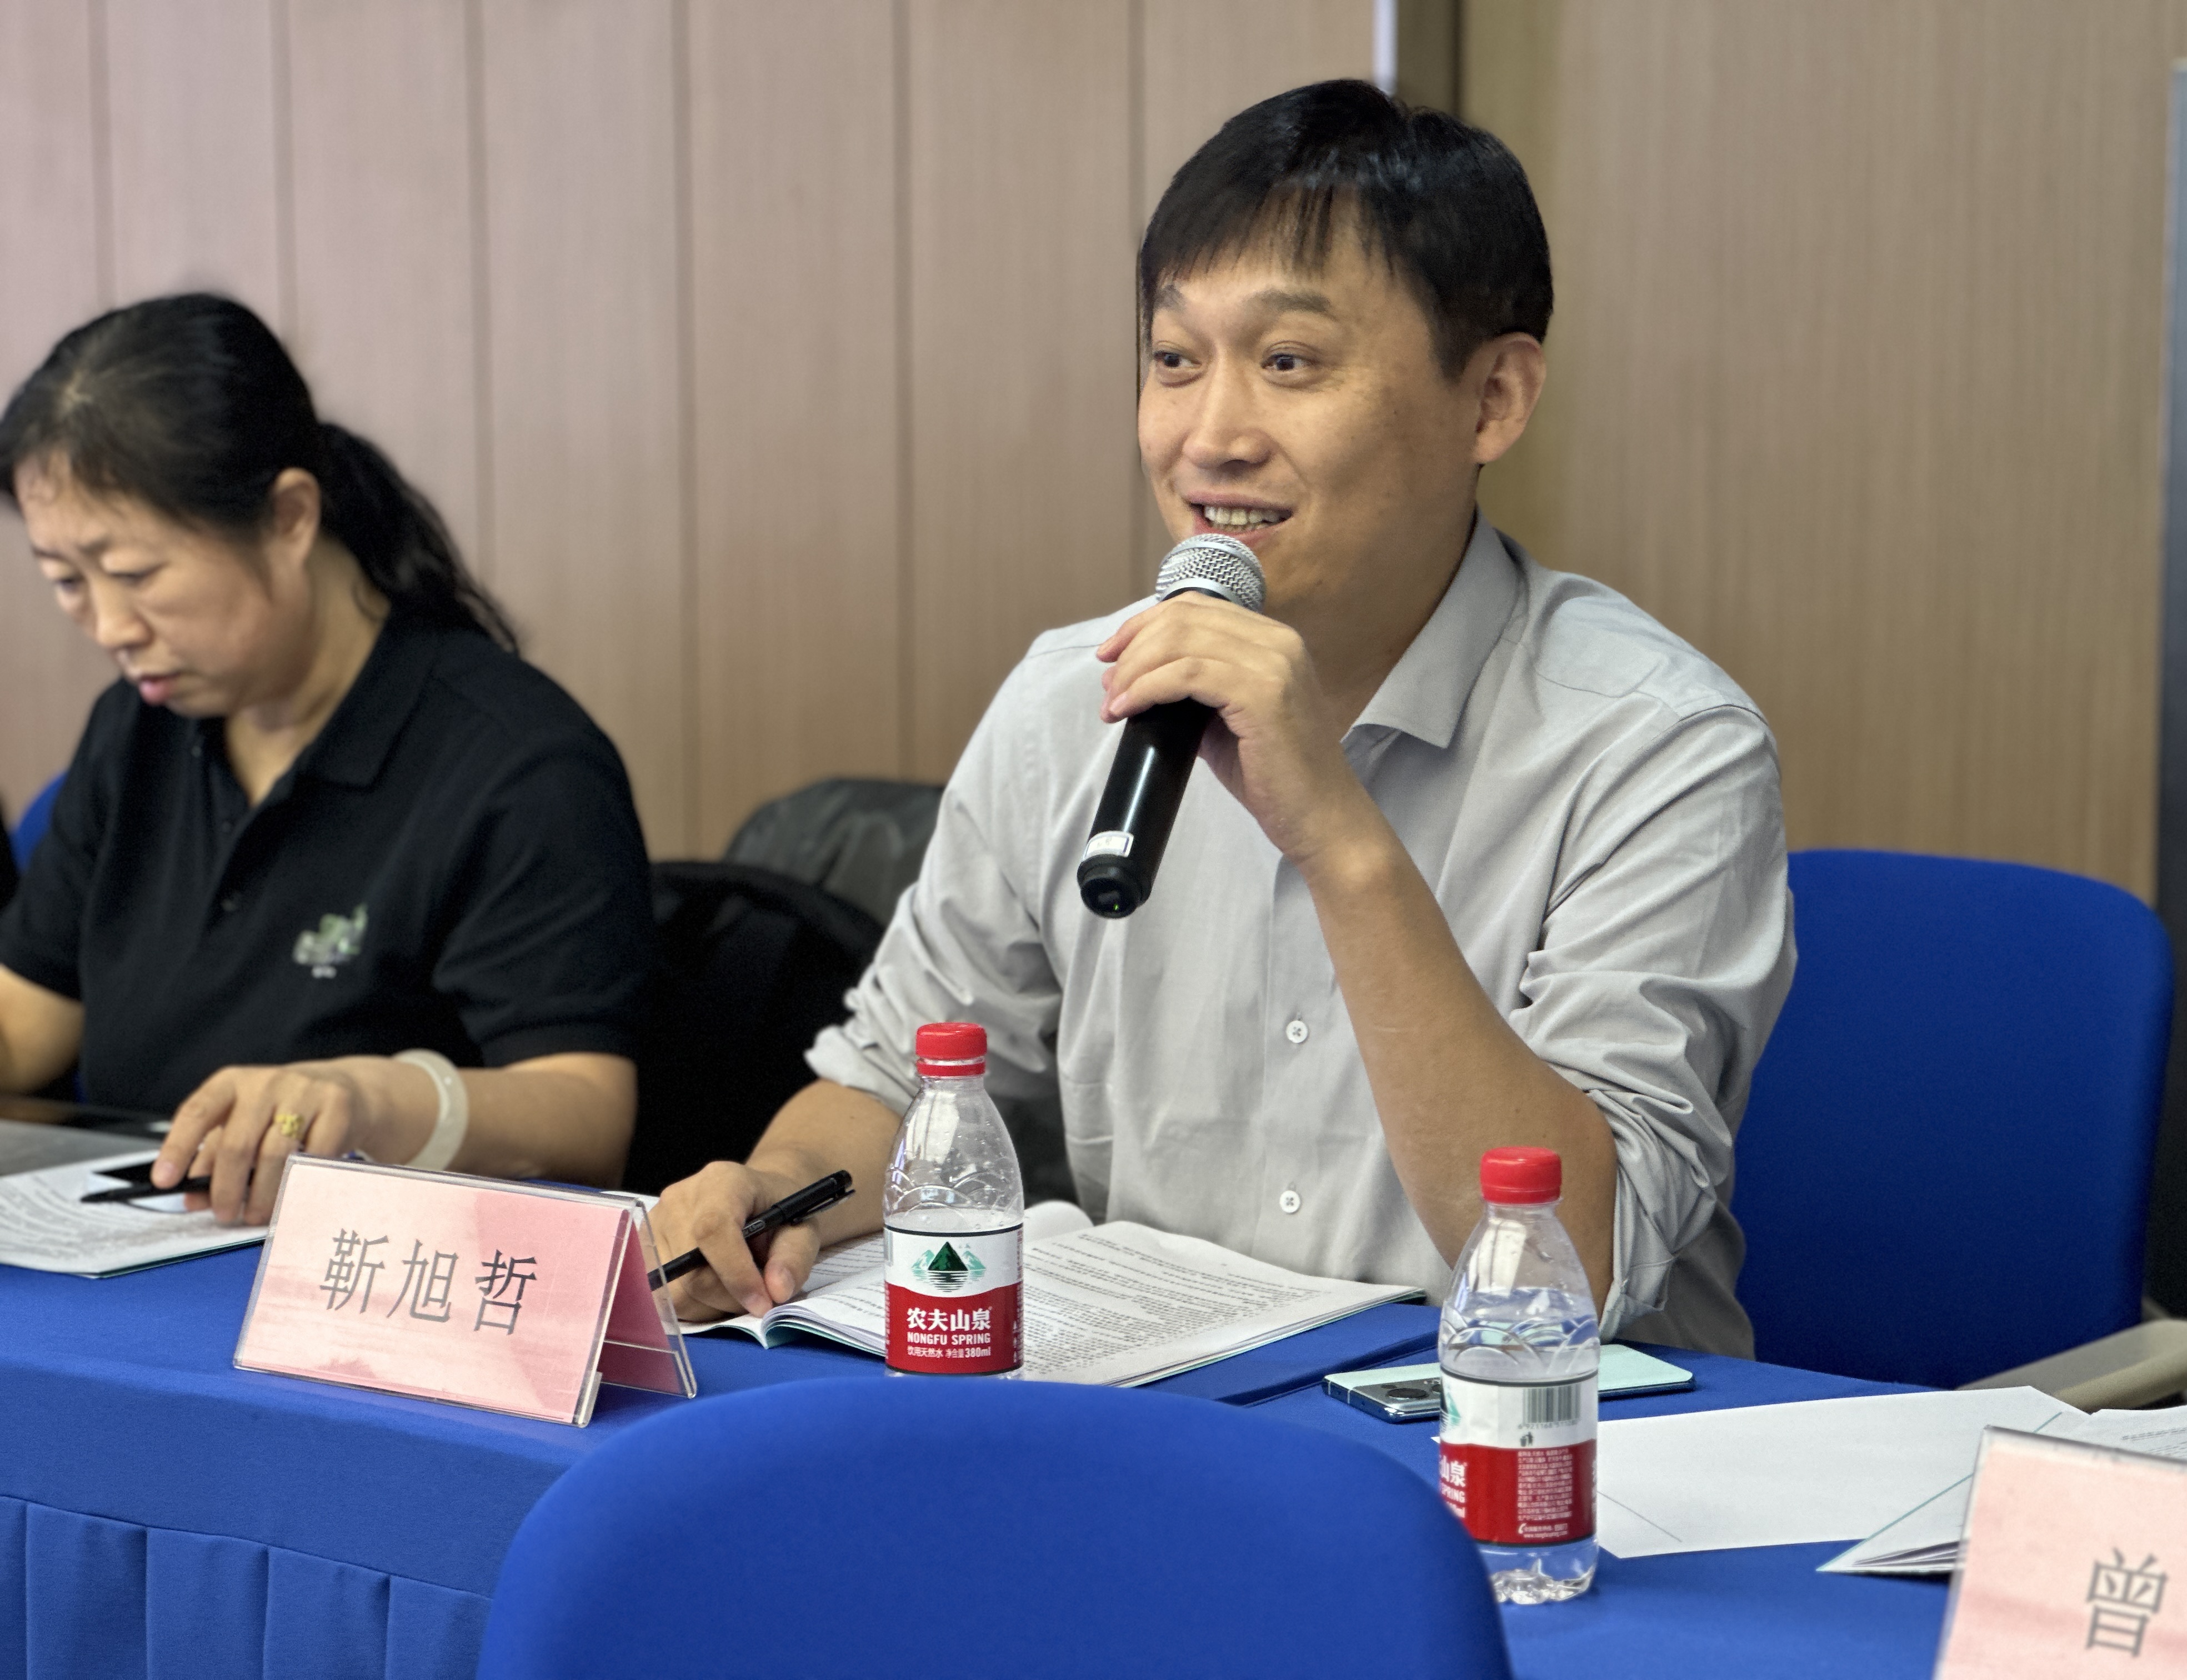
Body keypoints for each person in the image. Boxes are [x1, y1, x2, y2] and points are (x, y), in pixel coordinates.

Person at [654, 81, 1794, 1356]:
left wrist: (1340, 840)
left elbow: (1575, 1265)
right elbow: (892, 1082)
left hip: (1536, 1437)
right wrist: (777, 1189)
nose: (1210, 437)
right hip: (1184, 1426)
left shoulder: (1661, 744)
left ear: (1493, 400)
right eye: (1175, 361)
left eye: (1289, 363)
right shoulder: (1072, 702)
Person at [0, 294, 654, 1224]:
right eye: (66, 582)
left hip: (378, 1270)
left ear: (290, 517)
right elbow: (25, 1027)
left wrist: (372, 1098)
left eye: (137, 575)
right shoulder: (135, 729)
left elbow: (586, 1114)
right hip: (137, 1248)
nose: (110, 627)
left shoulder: (518, 764)